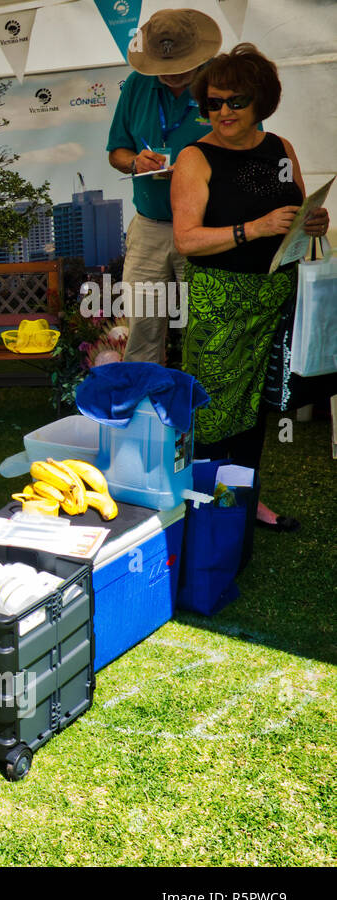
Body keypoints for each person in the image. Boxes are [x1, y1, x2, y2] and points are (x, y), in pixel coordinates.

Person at [171, 43, 329, 533]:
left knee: (259, 406)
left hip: (275, 296)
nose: (222, 112)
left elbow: (299, 210)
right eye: (213, 103)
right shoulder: (195, 157)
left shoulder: (281, 149)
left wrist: (314, 221)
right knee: (216, 412)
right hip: (221, 301)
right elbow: (186, 239)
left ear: (261, 101)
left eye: (235, 101)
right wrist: (254, 229)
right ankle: (208, 506)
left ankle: (246, 498)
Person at [107, 8, 222, 365]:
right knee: (142, 329)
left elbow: (252, 148)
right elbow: (117, 151)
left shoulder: (222, 83)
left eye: (182, 68)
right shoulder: (137, 83)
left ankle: (206, 411)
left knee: (207, 326)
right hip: (149, 228)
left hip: (207, 228)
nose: (173, 76)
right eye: (165, 69)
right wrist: (134, 162)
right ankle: (147, 414)